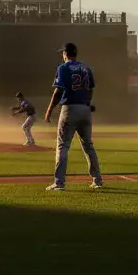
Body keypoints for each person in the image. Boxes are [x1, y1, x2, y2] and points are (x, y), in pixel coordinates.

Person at [44, 42, 103, 191]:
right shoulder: (86, 68)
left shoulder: (63, 68)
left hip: (70, 108)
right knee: (88, 145)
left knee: (63, 146)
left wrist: (49, 110)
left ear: (65, 53)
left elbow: (58, 91)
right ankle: (97, 180)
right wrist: (88, 102)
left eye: (62, 53)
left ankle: (59, 183)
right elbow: (90, 89)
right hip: (85, 109)